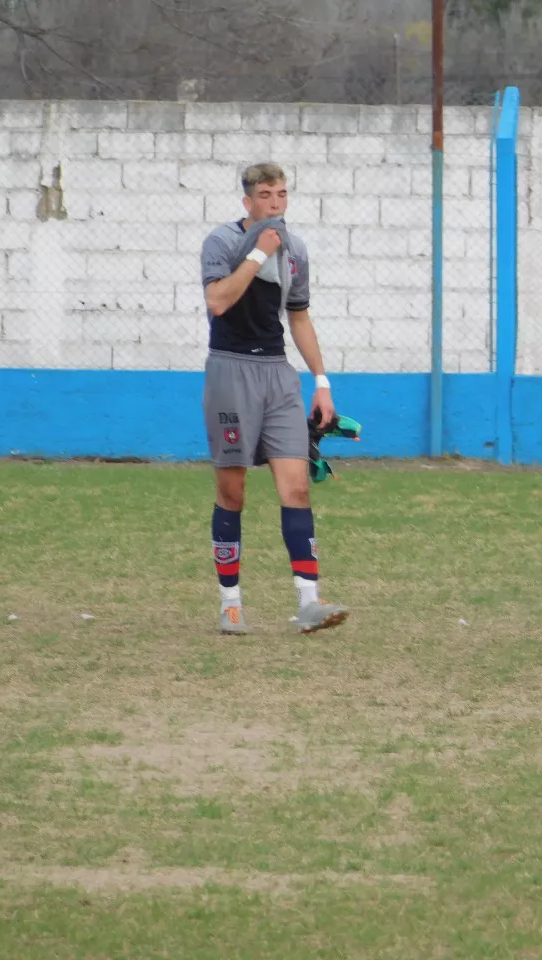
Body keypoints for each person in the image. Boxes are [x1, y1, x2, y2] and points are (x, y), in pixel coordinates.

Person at [200, 162, 349, 635]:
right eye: (266, 195)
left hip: (278, 376)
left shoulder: (295, 250)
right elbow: (219, 301)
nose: (276, 204)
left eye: (282, 194)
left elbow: (299, 316)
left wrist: (321, 382)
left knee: (297, 487)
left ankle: (309, 605)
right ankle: (231, 603)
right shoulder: (223, 243)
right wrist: (257, 255)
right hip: (230, 371)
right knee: (233, 491)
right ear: (248, 202)